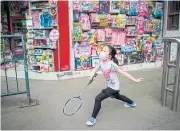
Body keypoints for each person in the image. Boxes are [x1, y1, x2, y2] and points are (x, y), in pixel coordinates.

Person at [86, 45, 143, 126]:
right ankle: (132, 103)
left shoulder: (112, 65)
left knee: (98, 98)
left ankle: (92, 119)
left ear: (109, 56)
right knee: (118, 96)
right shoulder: (101, 61)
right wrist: (92, 74)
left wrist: (135, 80)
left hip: (113, 87)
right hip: (111, 86)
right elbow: (96, 68)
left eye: (105, 51)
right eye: (102, 50)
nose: (102, 52)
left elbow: (123, 73)